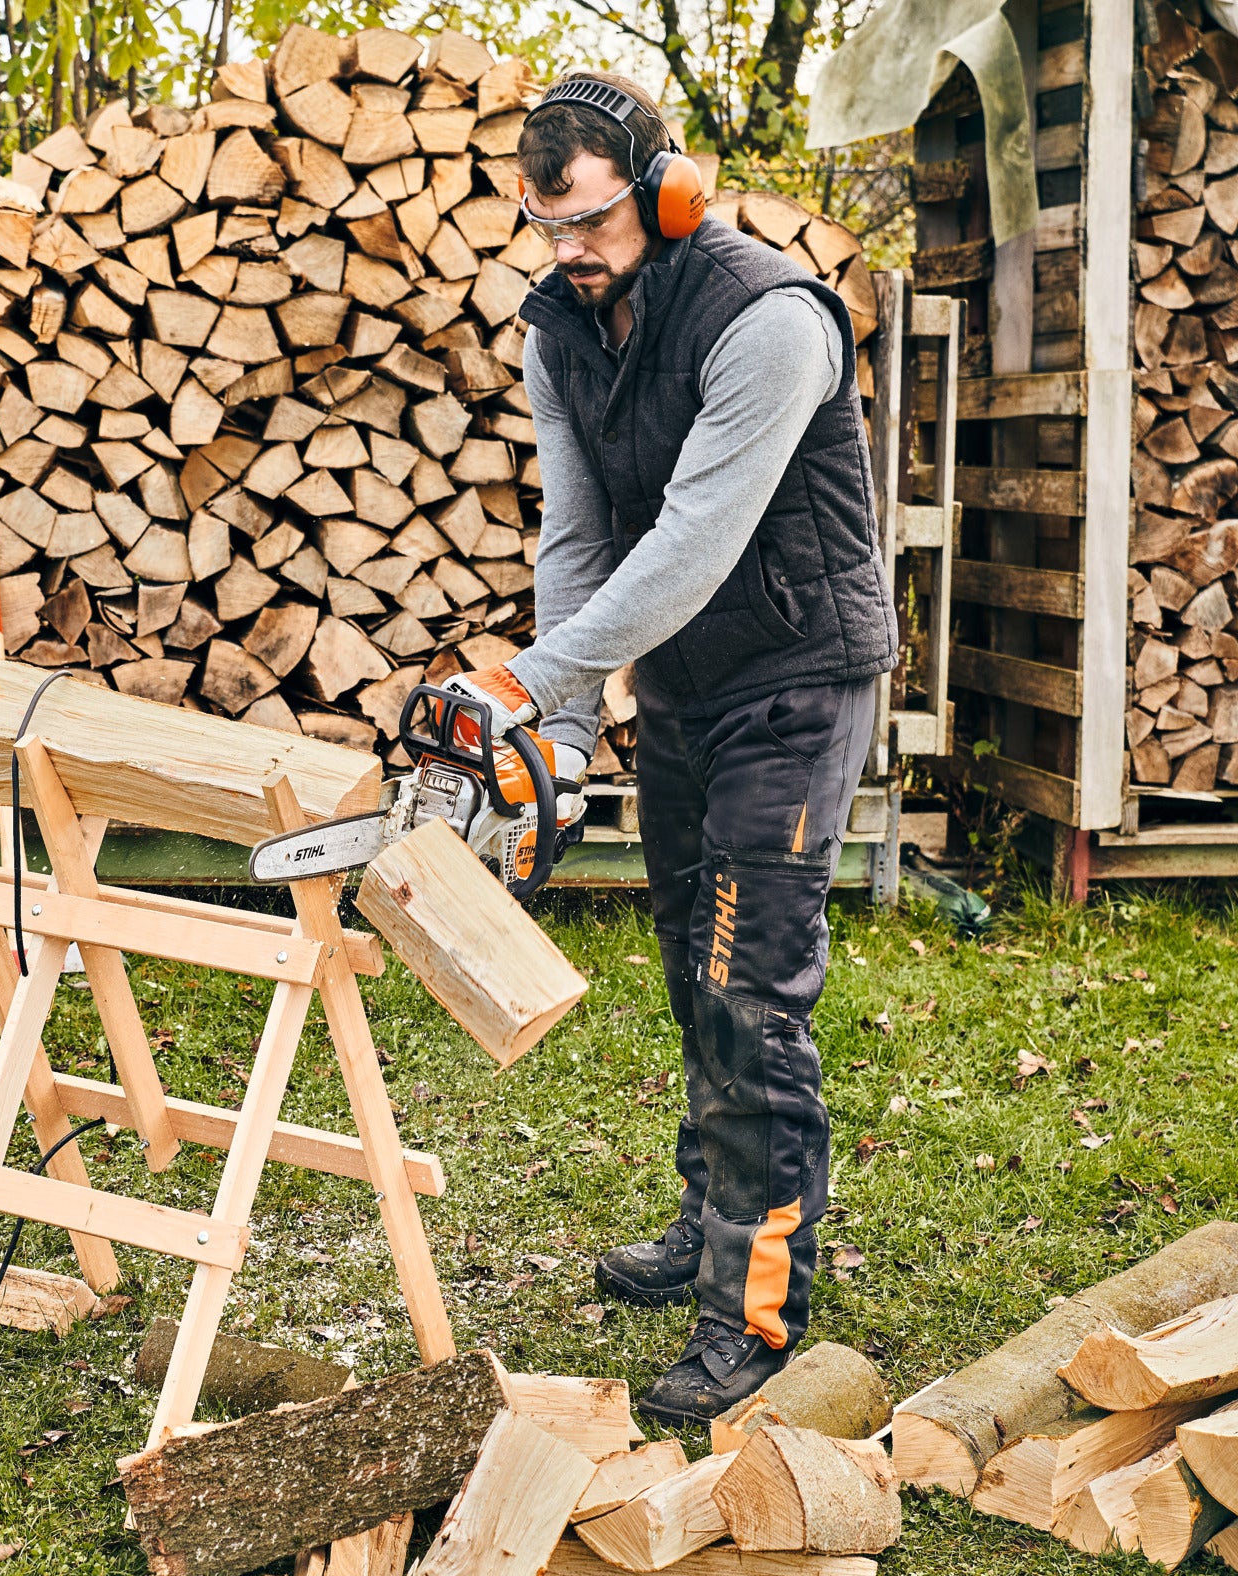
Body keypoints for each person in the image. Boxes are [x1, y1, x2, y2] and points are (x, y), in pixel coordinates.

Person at [440, 71, 897, 1424]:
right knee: (693, 963)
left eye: (586, 222)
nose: (566, 252)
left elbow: (692, 544)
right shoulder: (561, 330)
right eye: (544, 226)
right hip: (687, 687)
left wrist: (522, 678)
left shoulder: (767, 322)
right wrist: (563, 728)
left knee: (754, 992)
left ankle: (752, 1323)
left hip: (798, 675)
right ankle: (710, 1221)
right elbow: (579, 538)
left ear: (665, 190)